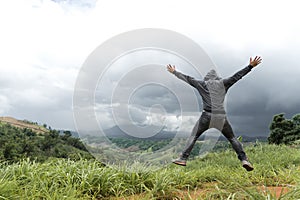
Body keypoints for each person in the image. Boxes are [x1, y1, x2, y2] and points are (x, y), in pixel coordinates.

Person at [166, 56, 262, 171]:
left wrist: (174, 72)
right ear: (217, 78)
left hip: (206, 116)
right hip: (221, 117)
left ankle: (183, 158)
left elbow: (188, 79)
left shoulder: (202, 84)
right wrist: (250, 66)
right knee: (232, 138)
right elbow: (237, 76)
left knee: (194, 136)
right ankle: (244, 159)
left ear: (206, 78)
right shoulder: (223, 83)